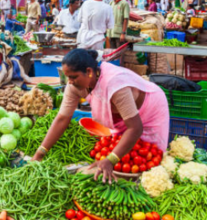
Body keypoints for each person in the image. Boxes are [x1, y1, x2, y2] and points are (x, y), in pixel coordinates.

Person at [32, 49, 169, 183]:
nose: (70, 82)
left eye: (73, 77)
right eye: (68, 77)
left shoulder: (114, 83)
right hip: (123, 117)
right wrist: (40, 153)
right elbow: (62, 119)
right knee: (125, 154)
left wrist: (110, 160)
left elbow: (135, 128)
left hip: (150, 109)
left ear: (89, 72)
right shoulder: (74, 86)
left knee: (149, 159)